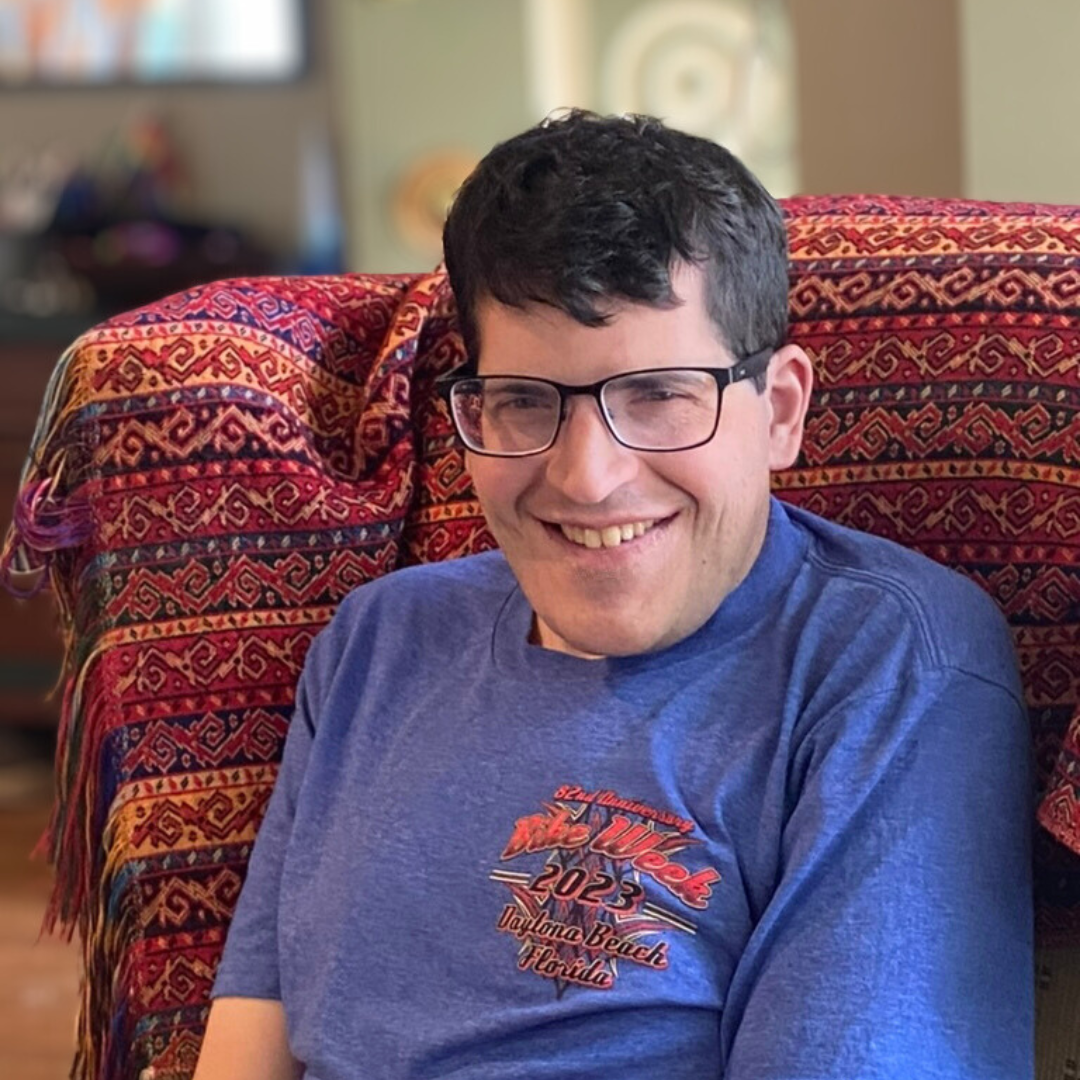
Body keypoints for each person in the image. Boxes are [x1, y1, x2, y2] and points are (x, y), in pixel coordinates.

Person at [193, 111, 1033, 1080]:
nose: (588, 478)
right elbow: (247, 1048)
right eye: (523, 401)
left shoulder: (890, 664)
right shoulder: (378, 641)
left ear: (781, 410)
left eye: (661, 395)